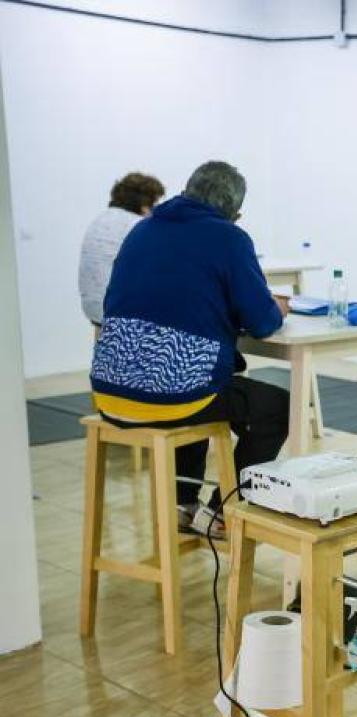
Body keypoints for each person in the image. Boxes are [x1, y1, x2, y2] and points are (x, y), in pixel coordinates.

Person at [90, 161, 291, 535]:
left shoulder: (141, 231)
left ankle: (183, 505)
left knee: (198, 380)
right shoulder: (230, 239)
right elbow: (262, 322)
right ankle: (223, 514)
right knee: (276, 407)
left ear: (185, 192)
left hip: (108, 391)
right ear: (235, 214)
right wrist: (277, 308)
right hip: (172, 395)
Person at [78, 172, 165, 325]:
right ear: (145, 206)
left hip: (92, 308)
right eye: (155, 203)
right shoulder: (138, 225)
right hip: (120, 312)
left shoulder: (101, 219)